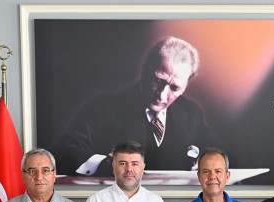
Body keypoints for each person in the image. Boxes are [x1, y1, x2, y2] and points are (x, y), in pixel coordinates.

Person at [54, 36, 217, 176]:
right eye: (158, 81)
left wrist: (203, 161)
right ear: (145, 69)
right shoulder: (102, 109)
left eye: (174, 88)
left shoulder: (191, 113)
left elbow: (217, 153)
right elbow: (64, 152)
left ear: (186, 85)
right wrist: (106, 164)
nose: (161, 95)